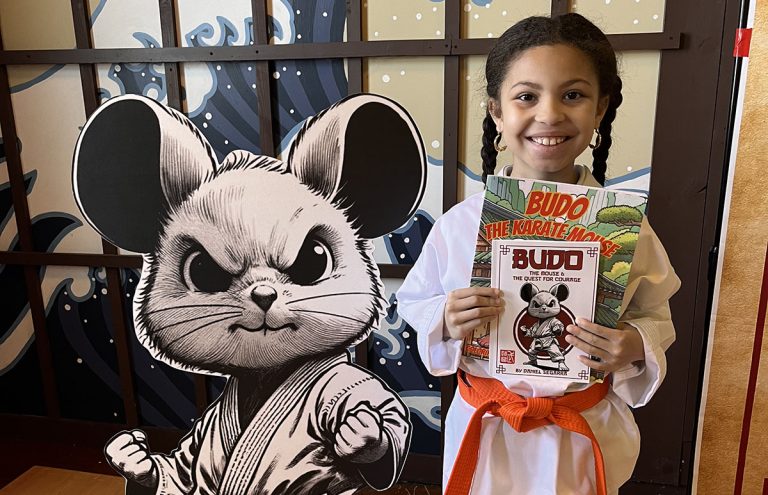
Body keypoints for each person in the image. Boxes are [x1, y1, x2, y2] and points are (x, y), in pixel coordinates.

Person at [395, 13, 681, 495]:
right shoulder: (461, 224)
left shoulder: (625, 229)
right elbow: (414, 302)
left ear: (601, 108)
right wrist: (446, 316)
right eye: (526, 96)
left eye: (573, 94)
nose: (549, 115)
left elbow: (655, 313)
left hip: (579, 427)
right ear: (497, 112)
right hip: (487, 427)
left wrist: (633, 346)